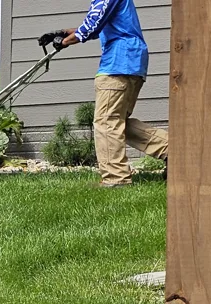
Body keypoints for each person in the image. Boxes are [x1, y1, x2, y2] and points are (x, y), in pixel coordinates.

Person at [38, 0, 169, 187]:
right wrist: (61, 34)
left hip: (118, 62)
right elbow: (99, 23)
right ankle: (174, 150)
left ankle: (116, 179)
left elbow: (93, 24)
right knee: (117, 121)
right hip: (131, 61)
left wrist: (66, 42)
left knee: (107, 122)